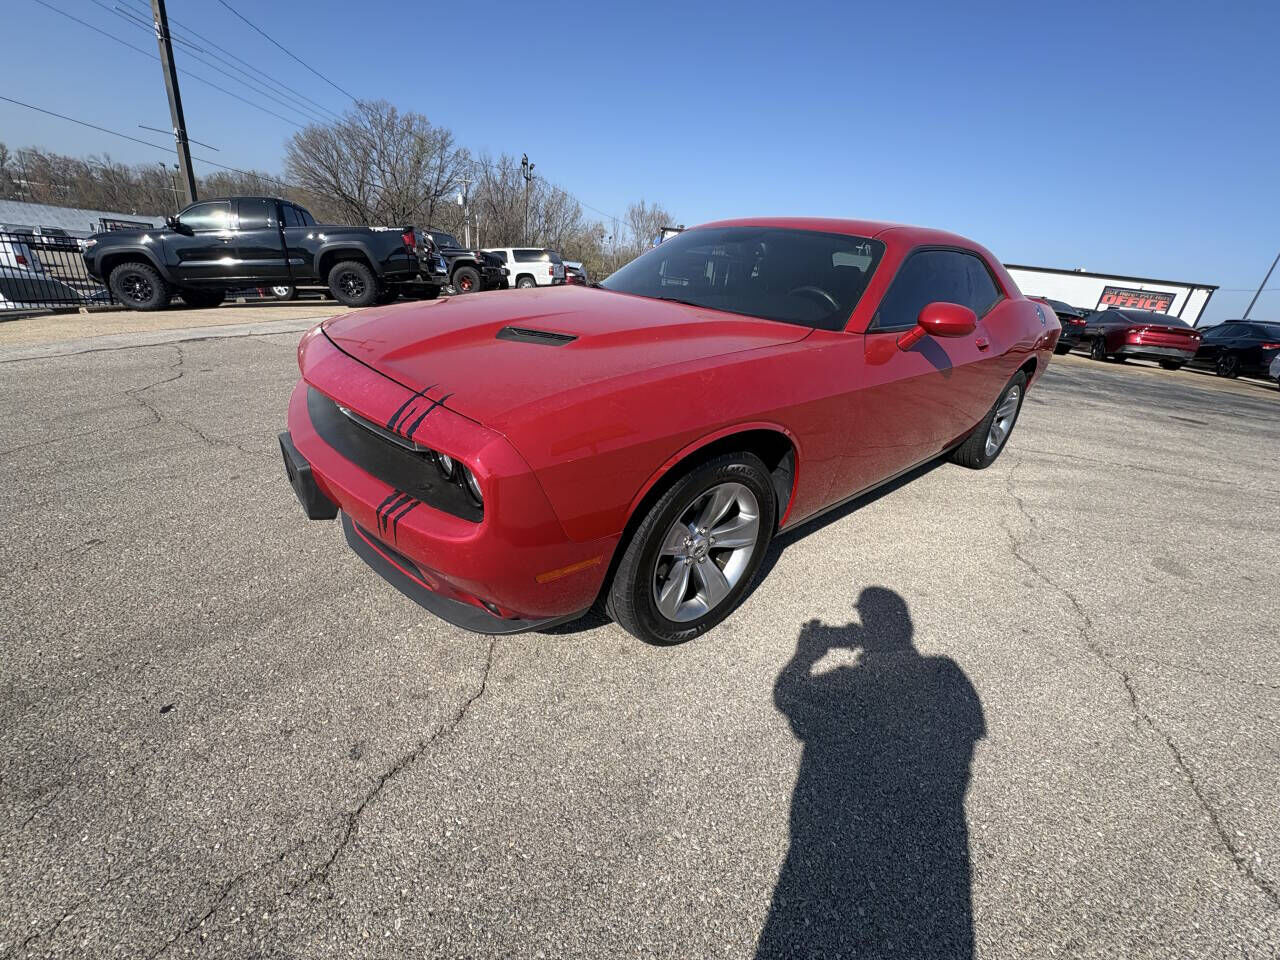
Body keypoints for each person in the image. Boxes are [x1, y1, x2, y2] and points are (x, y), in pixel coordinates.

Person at [757, 587, 986, 959]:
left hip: (828, 838)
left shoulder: (847, 682)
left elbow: (787, 696)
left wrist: (805, 654)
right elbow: (968, 733)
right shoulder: (945, 672)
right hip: (933, 840)